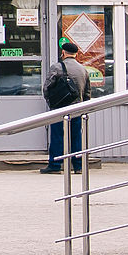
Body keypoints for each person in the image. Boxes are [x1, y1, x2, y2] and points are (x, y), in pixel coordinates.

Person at [41, 41, 91, 174]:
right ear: (76, 54)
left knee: (57, 136)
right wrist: (83, 106)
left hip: (60, 108)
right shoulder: (83, 69)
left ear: (63, 52)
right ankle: (79, 166)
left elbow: (47, 87)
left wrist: (51, 103)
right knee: (76, 137)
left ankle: (55, 165)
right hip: (77, 108)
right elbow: (87, 93)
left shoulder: (57, 68)